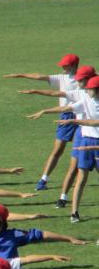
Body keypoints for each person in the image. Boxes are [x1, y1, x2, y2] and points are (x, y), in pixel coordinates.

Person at [21, 64, 96, 209]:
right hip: (83, 134)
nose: (77, 82)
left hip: (93, 136)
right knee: (75, 168)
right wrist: (45, 109)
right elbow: (60, 100)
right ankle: (63, 197)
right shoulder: (80, 93)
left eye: (81, 80)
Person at [4, 53, 81, 190]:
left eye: (66, 65)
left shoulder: (87, 77)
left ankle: (76, 181)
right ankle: (43, 180)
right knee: (58, 150)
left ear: (74, 65)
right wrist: (22, 75)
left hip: (82, 116)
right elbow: (41, 76)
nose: (63, 67)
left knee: (80, 151)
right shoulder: (62, 78)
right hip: (66, 115)